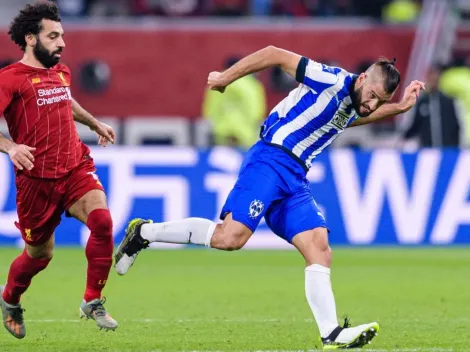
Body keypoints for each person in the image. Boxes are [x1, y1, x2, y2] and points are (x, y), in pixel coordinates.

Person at [114, 46, 425, 349]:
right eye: (372, 96)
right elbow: (274, 54)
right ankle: (143, 233)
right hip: (271, 160)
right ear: (361, 79)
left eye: (380, 101)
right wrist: (225, 78)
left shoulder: (354, 105)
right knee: (230, 238)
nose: (371, 105)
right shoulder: (329, 80)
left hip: (295, 177)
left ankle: (331, 334)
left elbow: (353, 119)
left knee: (319, 246)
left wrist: (399, 108)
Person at [0, 1, 118, 339]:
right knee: (40, 255)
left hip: (74, 167)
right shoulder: (9, 79)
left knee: (102, 222)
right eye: (53, 36)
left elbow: (66, 100)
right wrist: (11, 146)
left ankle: (92, 299)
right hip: (36, 181)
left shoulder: (61, 72)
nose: (62, 42)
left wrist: (95, 122)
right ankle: (9, 298)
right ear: (31, 39)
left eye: (62, 35)